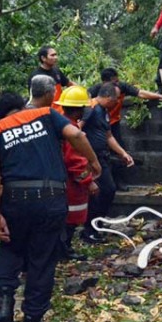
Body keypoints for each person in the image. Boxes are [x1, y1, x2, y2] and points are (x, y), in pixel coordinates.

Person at [0, 91, 101, 322]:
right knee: (42, 261)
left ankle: (4, 299)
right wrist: (93, 161)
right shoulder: (46, 115)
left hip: (15, 198)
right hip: (50, 197)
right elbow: (76, 135)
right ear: (20, 106)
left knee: (10, 247)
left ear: (0, 112)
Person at [88, 68, 162, 191]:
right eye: (114, 82)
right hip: (97, 126)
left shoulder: (122, 87)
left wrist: (160, 96)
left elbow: (140, 93)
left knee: (119, 152)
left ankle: (119, 181)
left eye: (117, 81)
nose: (116, 85)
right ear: (105, 84)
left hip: (113, 124)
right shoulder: (95, 92)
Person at [80, 83, 134, 243]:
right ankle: (89, 229)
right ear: (109, 97)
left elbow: (108, 136)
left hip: (102, 157)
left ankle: (95, 226)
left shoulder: (104, 112)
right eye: (116, 99)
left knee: (107, 191)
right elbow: (77, 131)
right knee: (105, 190)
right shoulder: (90, 109)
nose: (118, 102)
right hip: (92, 159)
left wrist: (123, 153)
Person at [54, 86, 99, 261]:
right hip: (72, 184)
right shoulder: (70, 130)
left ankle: (63, 249)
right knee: (70, 219)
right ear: (78, 109)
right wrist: (89, 181)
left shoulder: (62, 124)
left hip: (64, 180)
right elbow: (75, 162)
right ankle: (64, 251)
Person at [28, 45, 74, 110]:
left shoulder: (56, 71)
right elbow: (33, 98)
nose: (56, 57)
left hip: (60, 111)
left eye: (56, 55)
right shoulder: (36, 76)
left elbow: (69, 84)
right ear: (43, 58)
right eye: (52, 55)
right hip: (46, 112)